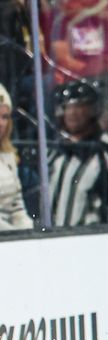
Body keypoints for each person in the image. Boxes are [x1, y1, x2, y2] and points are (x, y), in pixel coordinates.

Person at [48, 79, 108, 227]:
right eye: (67, 107)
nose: (72, 113)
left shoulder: (107, 148)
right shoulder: (56, 151)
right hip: (55, 236)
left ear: (93, 110)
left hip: (92, 237)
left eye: (80, 106)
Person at [0, 82, 31, 230]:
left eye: (5, 117)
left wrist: (27, 231)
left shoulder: (9, 156)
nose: (1, 123)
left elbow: (17, 208)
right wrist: (13, 236)